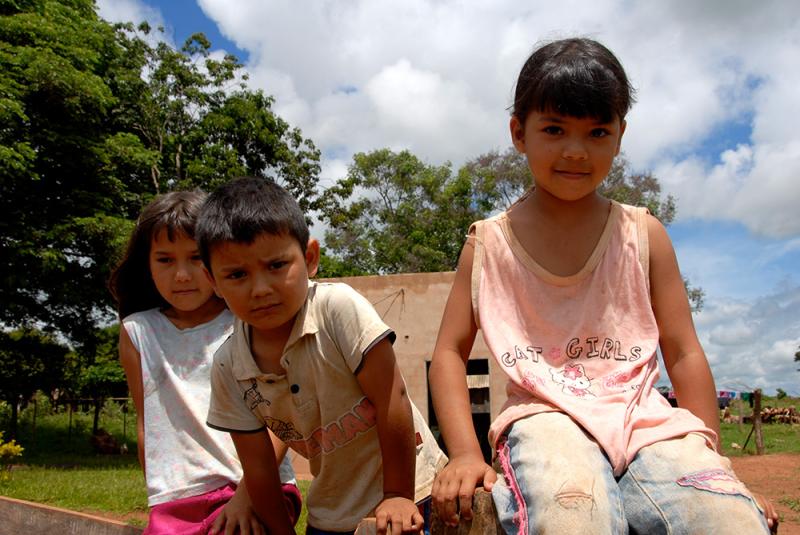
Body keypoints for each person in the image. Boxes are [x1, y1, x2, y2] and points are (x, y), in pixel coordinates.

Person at [428, 37, 778, 534]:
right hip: (543, 418)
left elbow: (682, 352)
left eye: (597, 132)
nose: (576, 151)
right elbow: (448, 352)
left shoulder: (643, 234)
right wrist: (464, 452)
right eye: (554, 129)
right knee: (572, 516)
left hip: (645, 418)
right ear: (518, 133)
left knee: (725, 519)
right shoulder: (489, 244)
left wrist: (714, 461)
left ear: (620, 134)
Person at [196, 177, 447, 535]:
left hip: (414, 493)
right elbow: (260, 467)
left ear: (310, 258)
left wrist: (397, 495)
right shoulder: (228, 366)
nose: (261, 289)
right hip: (331, 515)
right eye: (237, 274)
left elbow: (393, 397)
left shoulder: (336, 309)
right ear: (213, 282)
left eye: (277, 266)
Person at [110, 190, 302, 535]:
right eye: (165, 260)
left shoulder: (247, 320)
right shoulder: (137, 331)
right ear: (147, 264)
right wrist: (160, 499)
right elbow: (146, 424)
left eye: (196, 257)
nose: (181, 275)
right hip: (175, 502)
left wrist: (248, 495)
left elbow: (283, 416)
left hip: (256, 487)